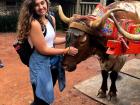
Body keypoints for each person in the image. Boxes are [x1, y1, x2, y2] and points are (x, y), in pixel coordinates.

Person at [17, 0, 78, 105]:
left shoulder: (51, 18)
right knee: (40, 99)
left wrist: (67, 38)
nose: (41, 7)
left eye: (42, 3)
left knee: (46, 94)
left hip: (53, 63)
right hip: (39, 64)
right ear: (31, 7)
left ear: (46, 3)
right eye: (36, 5)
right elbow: (43, 49)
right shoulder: (34, 24)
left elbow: (52, 40)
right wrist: (66, 50)